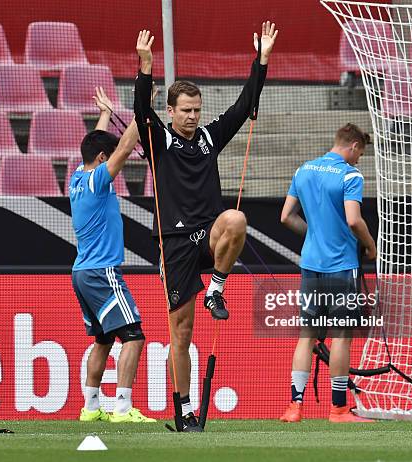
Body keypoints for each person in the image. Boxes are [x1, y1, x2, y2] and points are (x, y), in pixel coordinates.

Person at [133, 24, 278, 432]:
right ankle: (184, 411)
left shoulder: (209, 138)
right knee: (181, 332)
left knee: (236, 219)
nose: (194, 116)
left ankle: (217, 286)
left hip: (209, 234)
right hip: (175, 241)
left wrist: (261, 60)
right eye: (186, 110)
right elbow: (140, 110)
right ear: (172, 111)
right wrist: (145, 67)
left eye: (197, 109)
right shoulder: (158, 138)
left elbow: (243, 103)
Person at [279, 123, 377, 424]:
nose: (359, 160)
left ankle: (294, 407)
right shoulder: (350, 174)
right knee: (341, 337)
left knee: (306, 337)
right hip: (341, 266)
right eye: (360, 154)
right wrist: (371, 246)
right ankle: (338, 410)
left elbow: (285, 217)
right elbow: (353, 220)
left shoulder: (303, 170)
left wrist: (313, 237)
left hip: (310, 264)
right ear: (354, 146)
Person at [71, 86, 155, 423]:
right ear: (103, 161)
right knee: (134, 335)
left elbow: (100, 145)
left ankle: (91, 409)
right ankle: (122, 409)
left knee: (104, 339)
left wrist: (105, 112)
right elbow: (120, 150)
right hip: (102, 271)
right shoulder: (96, 181)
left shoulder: (77, 176)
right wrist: (140, 114)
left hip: (81, 272)